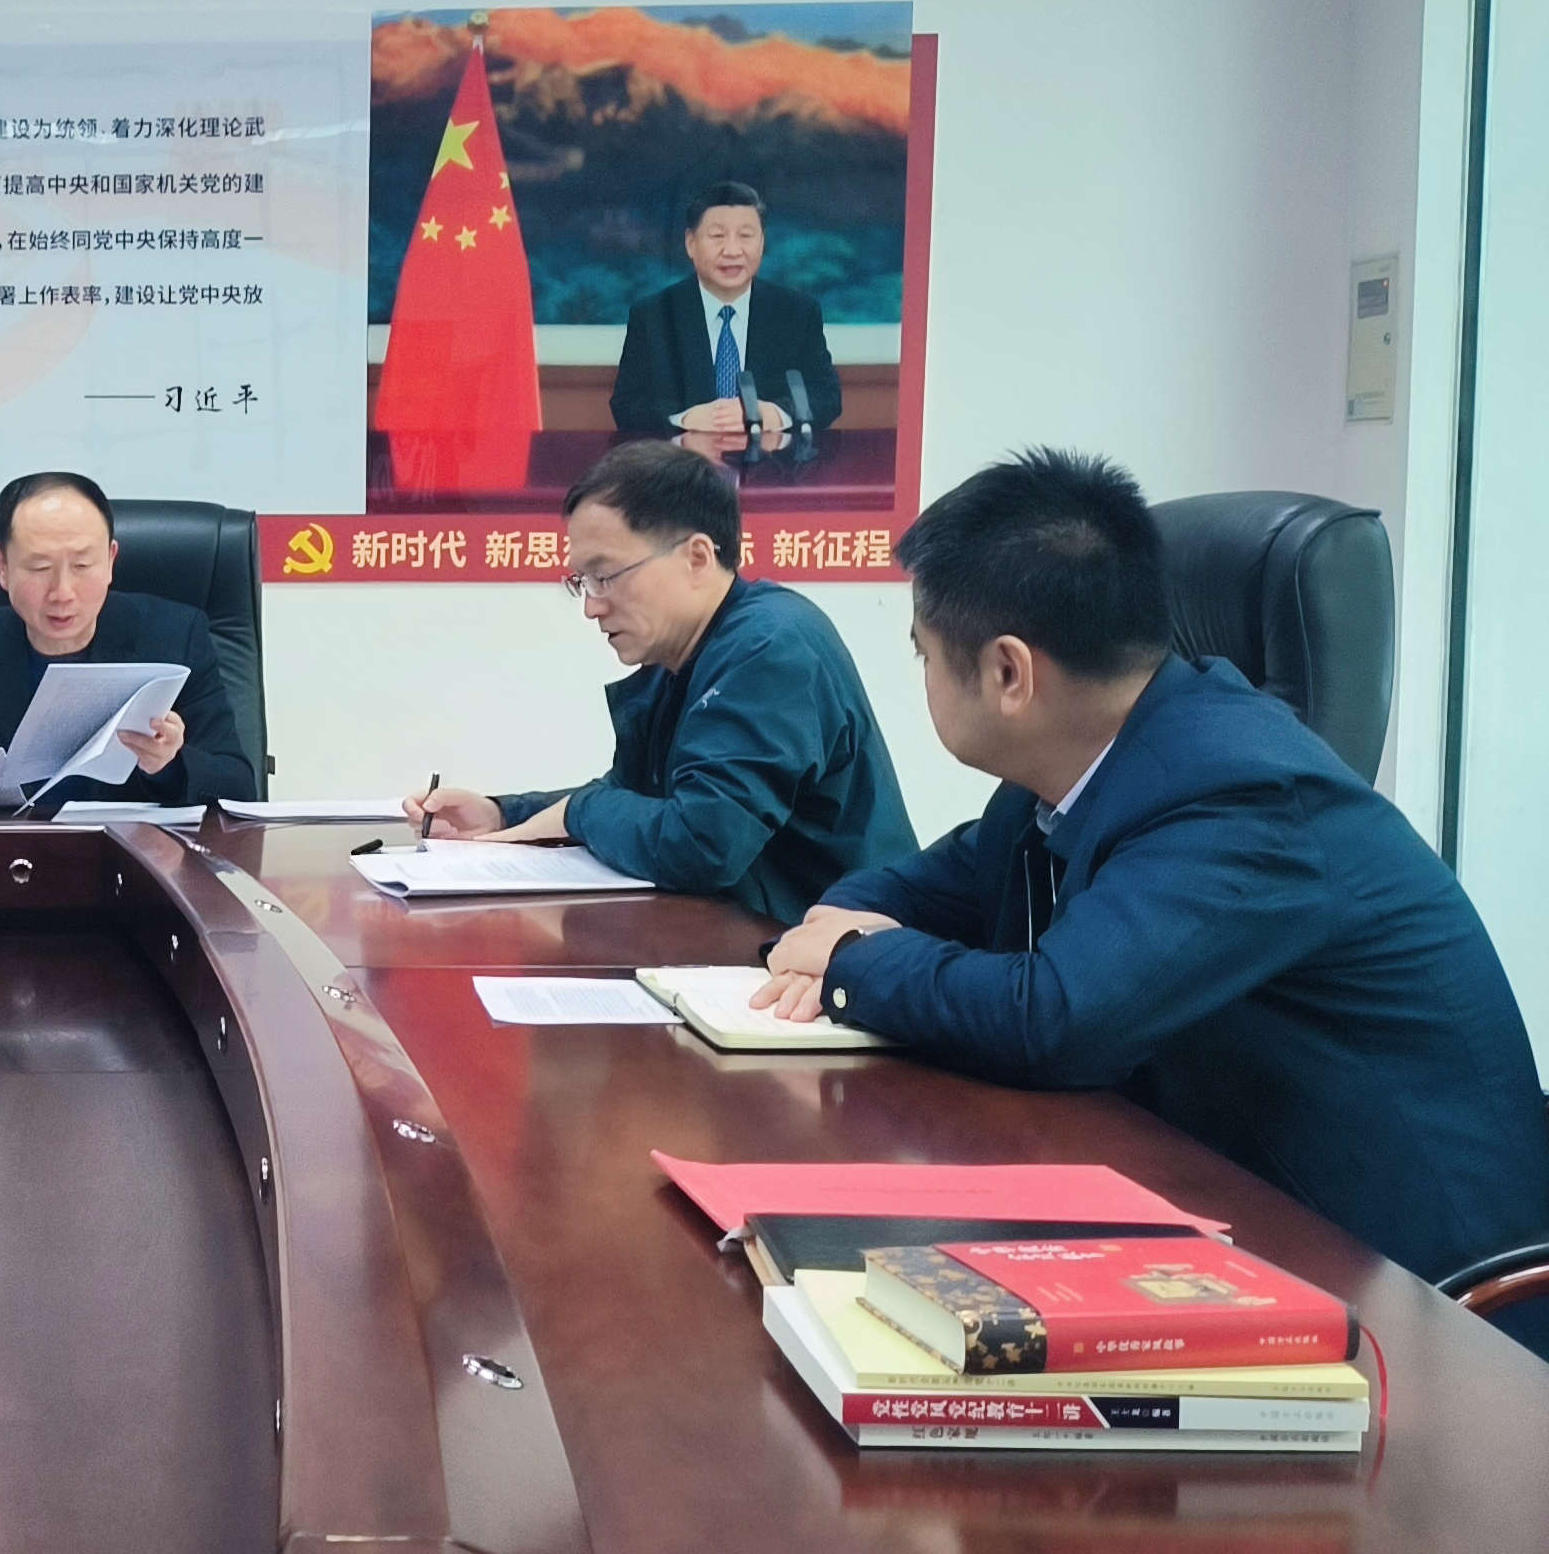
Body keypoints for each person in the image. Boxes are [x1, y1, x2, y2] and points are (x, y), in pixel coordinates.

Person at [754, 449, 1549, 1294]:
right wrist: (838, 928)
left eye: (924, 654)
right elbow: (918, 889)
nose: (921, 674)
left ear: (1009, 673)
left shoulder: (1240, 795)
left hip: (1428, 1296)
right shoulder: (1068, 774)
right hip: (1242, 1219)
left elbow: (1055, 1019)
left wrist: (851, 962)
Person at [406, 441, 914, 922]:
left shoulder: (772, 646)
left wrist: (581, 811)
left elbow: (702, 844)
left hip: (839, 954)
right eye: (582, 582)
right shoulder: (679, 656)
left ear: (696, 558)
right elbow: (633, 796)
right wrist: (503, 815)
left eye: (606, 576)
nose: (591, 606)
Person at [0, 471, 257, 808]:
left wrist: (169, 765)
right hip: (3, 869)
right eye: (39, 568)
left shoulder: (174, 637)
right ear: (1, 566)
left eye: (82, 565)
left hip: (139, 869)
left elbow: (238, 783)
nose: (62, 592)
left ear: (111, 560)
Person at [607, 180, 844, 438]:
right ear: (691, 243)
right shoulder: (653, 315)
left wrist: (775, 413)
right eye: (718, 236)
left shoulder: (797, 313)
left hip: (772, 460)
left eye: (745, 236)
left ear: (762, 242)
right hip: (684, 461)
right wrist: (685, 418)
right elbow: (627, 406)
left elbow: (826, 397)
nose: (732, 251)